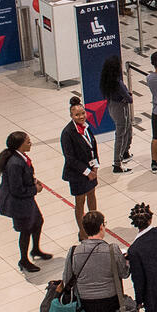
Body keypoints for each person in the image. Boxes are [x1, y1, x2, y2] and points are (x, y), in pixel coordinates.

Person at [63, 212, 128, 312]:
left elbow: (67, 279)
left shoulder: (74, 252)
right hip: (109, 300)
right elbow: (124, 273)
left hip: (86, 302)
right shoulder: (112, 250)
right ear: (101, 227)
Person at [0, 131, 48, 272]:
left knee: (38, 222)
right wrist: (35, 189)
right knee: (25, 230)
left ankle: (36, 249)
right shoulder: (14, 164)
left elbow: (25, 177)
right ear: (19, 145)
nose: (30, 143)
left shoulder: (21, 157)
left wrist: (34, 181)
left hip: (26, 199)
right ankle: (23, 260)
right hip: (17, 202)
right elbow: (17, 189)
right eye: (28, 141)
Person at [60, 97, 100, 228]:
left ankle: (95, 224)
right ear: (71, 116)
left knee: (92, 195)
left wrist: (95, 167)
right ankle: (83, 231)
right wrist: (87, 172)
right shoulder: (67, 133)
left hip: (91, 170)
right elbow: (70, 158)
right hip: (77, 173)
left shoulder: (87, 127)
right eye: (77, 115)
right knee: (80, 201)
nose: (81, 117)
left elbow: (93, 147)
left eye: (83, 113)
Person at [99, 56, 133, 174]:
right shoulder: (118, 83)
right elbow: (129, 98)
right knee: (121, 134)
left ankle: (124, 153)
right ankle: (117, 163)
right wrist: (128, 95)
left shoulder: (106, 81)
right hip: (120, 109)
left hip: (112, 107)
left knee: (126, 130)